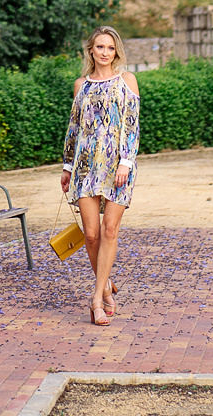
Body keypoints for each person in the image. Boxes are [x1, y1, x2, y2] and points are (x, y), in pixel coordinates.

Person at [61, 25, 140, 326]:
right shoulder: (81, 84)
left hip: (117, 167)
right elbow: (73, 128)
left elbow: (132, 126)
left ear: (116, 51)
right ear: (91, 51)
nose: (105, 53)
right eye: (100, 47)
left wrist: (126, 163)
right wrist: (68, 167)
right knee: (91, 234)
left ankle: (96, 299)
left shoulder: (127, 81)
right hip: (84, 166)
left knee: (110, 230)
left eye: (110, 48)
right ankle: (105, 284)